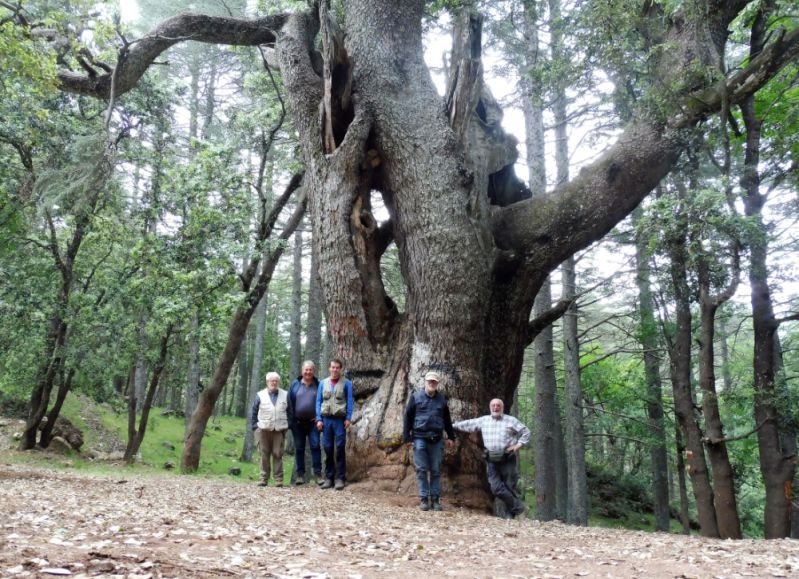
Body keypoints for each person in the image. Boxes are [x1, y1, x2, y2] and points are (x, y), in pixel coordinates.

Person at [453, 398, 530, 518]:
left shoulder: (511, 420)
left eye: (498, 405)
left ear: (502, 407)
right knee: (496, 488)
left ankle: (510, 515)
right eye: (493, 405)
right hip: (491, 459)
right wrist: (452, 426)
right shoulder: (484, 420)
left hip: (507, 458)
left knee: (510, 486)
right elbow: (469, 424)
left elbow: (526, 432)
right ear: (490, 407)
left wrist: (518, 445)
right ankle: (519, 507)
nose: (496, 407)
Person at [403, 370, 456, 512]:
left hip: (437, 439)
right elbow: (408, 417)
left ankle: (436, 499)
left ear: (437, 384)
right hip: (419, 438)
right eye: (429, 381)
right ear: (425, 382)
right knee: (421, 470)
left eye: (434, 381)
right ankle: (424, 499)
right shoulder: (415, 397)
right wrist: (406, 437)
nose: (431, 383)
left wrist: (451, 436)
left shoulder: (442, 400)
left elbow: (447, 420)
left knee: (436, 470)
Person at [315, 358, 354, 490]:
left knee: (340, 447)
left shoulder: (347, 383)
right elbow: (318, 401)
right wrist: (318, 419)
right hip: (326, 420)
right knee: (328, 448)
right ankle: (329, 477)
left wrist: (348, 418)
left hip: (339, 420)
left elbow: (349, 401)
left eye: (337, 367)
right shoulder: (323, 383)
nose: (334, 370)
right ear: (329, 368)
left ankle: (340, 478)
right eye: (332, 367)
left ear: (340, 369)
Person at [250, 372, 289, 487]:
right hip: (263, 430)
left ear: (278, 382)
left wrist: (288, 425)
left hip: (279, 430)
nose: (274, 382)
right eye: (271, 380)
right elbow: (254, 411)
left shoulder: (285, 395)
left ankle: (278, 479)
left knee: (278, 454)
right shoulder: (260, 395)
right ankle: (263, 478)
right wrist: (255, 426)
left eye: (276, 380)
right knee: (264, 454)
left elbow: (290, 411)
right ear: (267, 382)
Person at [287, 360, 323, 485]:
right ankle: (300, 475)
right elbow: (289, 403)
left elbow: (323, 403)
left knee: (316, 446)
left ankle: (318, 475)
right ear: (302, 371)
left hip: (313, 423)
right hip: (297, 424)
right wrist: (290, 422)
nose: (308, 372)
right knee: (299, 449)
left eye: (310, 370)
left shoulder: (319, 385)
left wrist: (320, 418)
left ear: (314, 371)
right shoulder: (295, 385)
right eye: (306, 370)